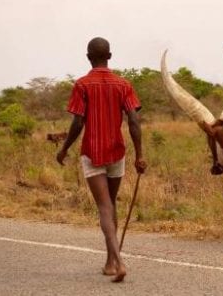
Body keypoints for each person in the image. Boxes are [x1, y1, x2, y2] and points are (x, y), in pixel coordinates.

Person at [56, 37, 146, 283]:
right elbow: (134, 120)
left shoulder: (82, 85)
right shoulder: (123, 84)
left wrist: (64, 149)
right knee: (111, 205)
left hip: (93, 153)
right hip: (117, 152)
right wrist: (140, 154)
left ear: (88, 57)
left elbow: (78, 123)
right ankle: (110, 261)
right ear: (110, 56)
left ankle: (118, 261)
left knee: (104, 207)